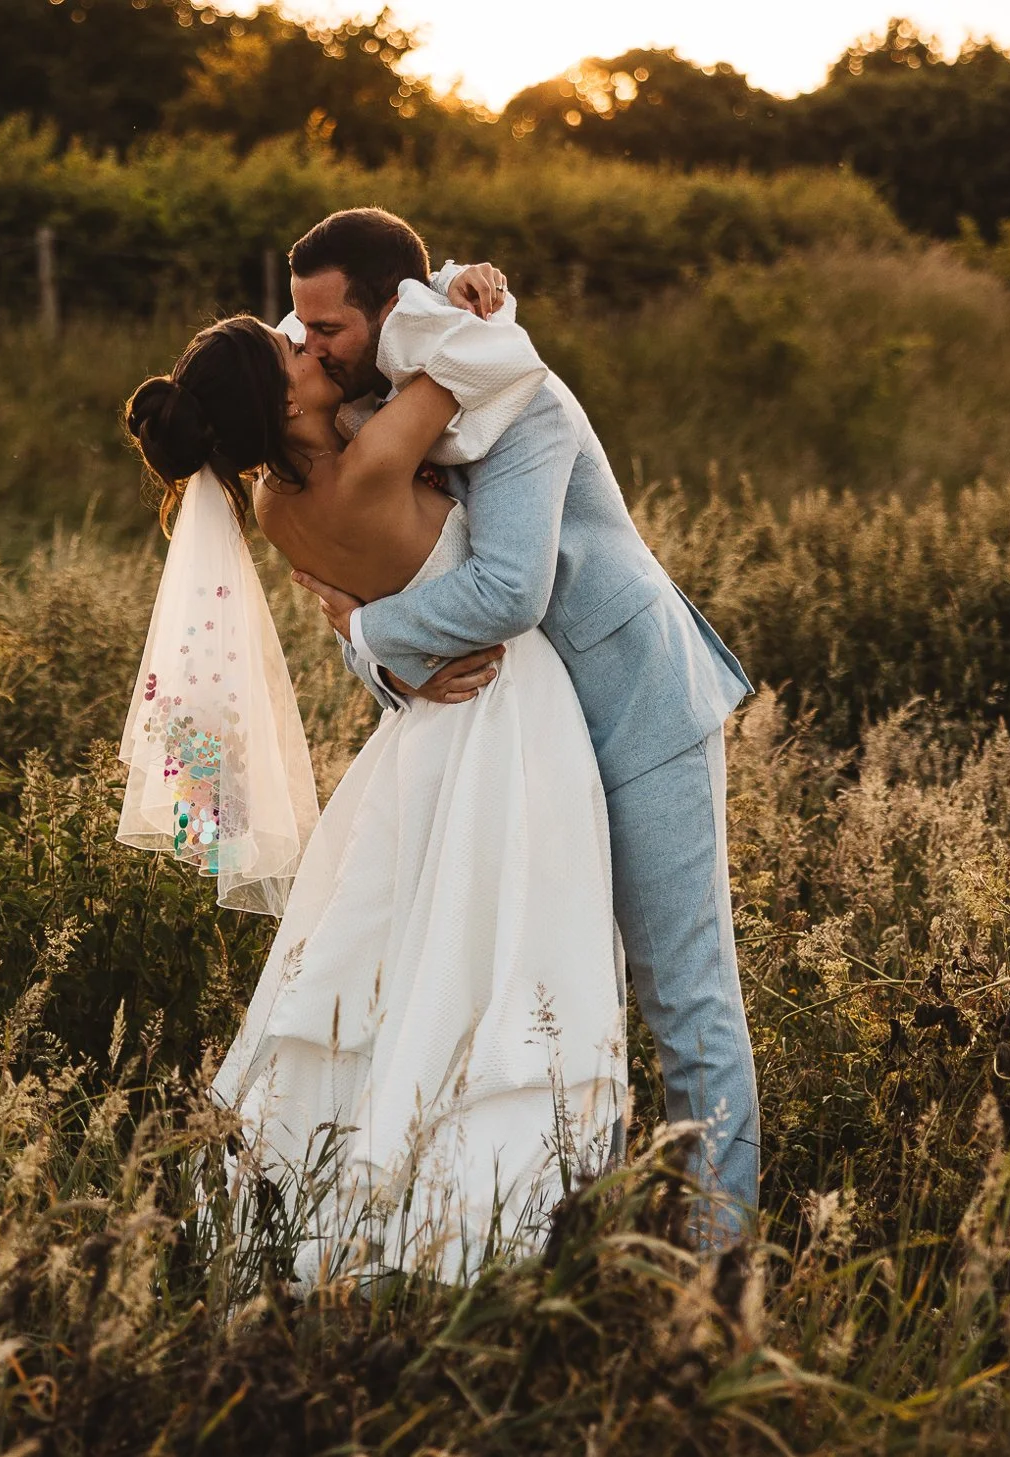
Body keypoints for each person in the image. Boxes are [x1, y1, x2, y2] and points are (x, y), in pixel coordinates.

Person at [118, 289, 626, 1282]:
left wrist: (377, 643)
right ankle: (478, 1214)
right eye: (292, 347)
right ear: (285, 400)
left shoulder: (273, 504)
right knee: (508, 947)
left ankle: (338, 1191)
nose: (310, 342)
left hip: (419, 725)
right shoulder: (379, 458)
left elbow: (351, 555)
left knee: (408, 954)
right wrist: (472, 295)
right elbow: (490, 354)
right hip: (508, 711)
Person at [282, 209, 758, 1241]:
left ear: (388, 313)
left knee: (684, 996)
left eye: (327, 329)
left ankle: (715, 1270)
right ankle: (579, 1233)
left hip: (637, 705)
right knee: (553, 992)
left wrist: (367, 632)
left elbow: (509, 586)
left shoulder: (517, 397)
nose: (310, 345)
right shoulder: (388, 404)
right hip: (531, 752)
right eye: (301, 328)